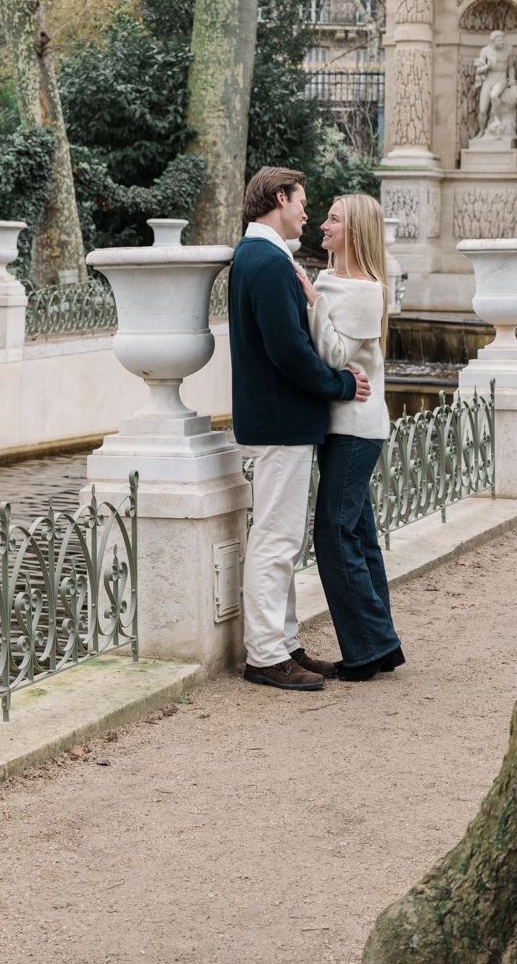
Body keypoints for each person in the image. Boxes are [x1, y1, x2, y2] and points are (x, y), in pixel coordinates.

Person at [229, 166, 371, 692]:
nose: (307, 213)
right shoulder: (265, 260)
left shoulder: (264, 256)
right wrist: (338, 385)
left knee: (284, 539)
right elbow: (288, 350)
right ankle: (265, 654)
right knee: (275, 538)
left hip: (281, 419)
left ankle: (284, 645)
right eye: (302, 202)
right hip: (281, 420)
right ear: (279, 198)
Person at [310, 193, 405, 681]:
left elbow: (334, 354)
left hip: (356, 429)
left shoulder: (365, 290)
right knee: (359, 535)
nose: (322, 224)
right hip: (338, 426)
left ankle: (367, 650)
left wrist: (312, 301)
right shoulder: (331, 280)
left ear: (355, 232)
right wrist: (318, 293)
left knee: (332, 535)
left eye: (333, 219)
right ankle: (380, 644)